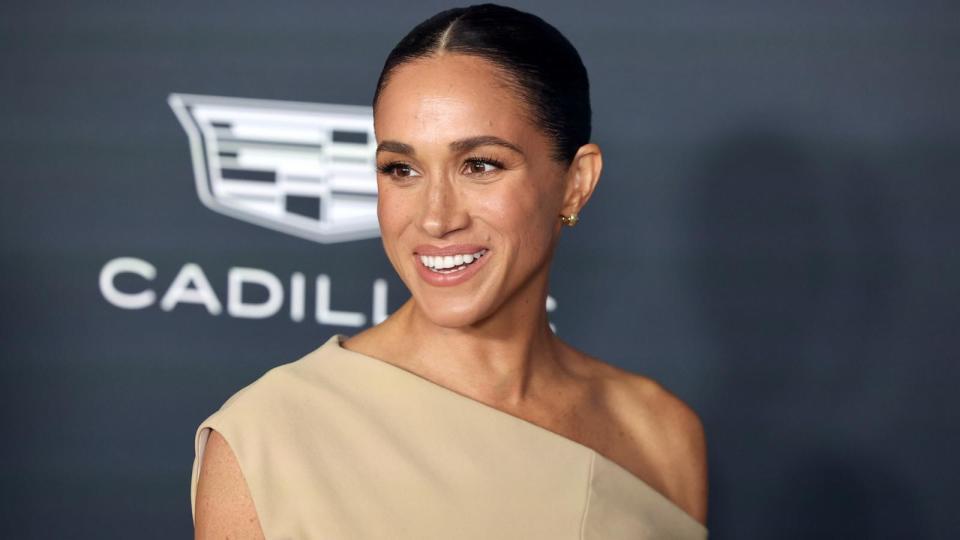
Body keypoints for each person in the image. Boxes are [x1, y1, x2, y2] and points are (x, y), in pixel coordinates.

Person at [191, 4, 708, 539]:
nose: (436, 218)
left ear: (576, 181)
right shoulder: (268, 439)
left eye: (480, 165)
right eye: (402, 169)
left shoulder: (659, 433)